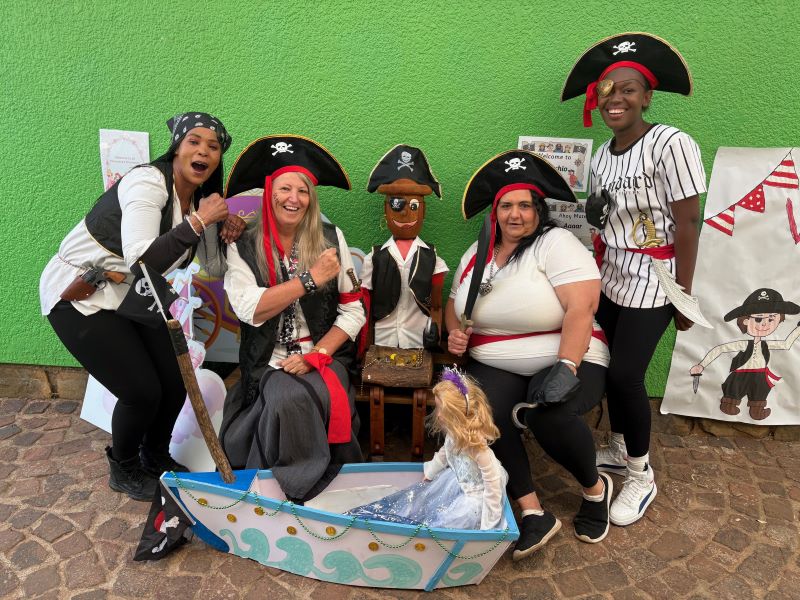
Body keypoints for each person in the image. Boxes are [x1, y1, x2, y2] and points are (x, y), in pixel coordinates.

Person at [40, 112, 240, 501]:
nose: (203, 151)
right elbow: (143, 260)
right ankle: (124, 465)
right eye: (194, 142)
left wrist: (228, 230)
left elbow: (214, 267)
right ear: (177, 147)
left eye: (213, 146)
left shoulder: (195, 201)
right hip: (81, 294)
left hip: (133, 295)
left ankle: (155, 455)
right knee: (141, 391)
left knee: (175, 379)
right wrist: (200, 222)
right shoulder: (148, 182)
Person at [562, 32, 707, 525]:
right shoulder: (603, 155)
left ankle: (641, 475)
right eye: (607, 90)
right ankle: (621, 445)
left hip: (656, 274)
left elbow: (688, 222)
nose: (616, 99)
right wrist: (595, 215)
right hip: (612, 272)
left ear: (647, 96)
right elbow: (607, 218)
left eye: (628, 89)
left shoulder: (671, 143)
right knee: (606, 366)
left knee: (626, 376)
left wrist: (684, 294)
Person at [446, 150, 612, 559]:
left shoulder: (556, 244)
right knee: (483, 411)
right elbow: (453, 303)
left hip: (568, 355)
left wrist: (567, 366)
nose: (515, 214)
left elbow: (582, 306)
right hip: (496, 361)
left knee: (549, 414)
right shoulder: (477, 254)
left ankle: (595, 490)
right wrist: (454, 332)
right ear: (495, 212)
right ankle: (532, 511)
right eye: (506, 206)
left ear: (539, 210)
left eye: (524, 205)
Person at [219, 135, 365, 502]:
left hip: (323, 353)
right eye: (285, 188)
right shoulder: (242, 244)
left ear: (311, 199)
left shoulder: (331, 238)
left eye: (302, 191)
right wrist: (309, 280)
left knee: (316, 395)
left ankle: (319, 484)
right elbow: (250, 309)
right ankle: (301, 487)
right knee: (286, 397)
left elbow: (353, 310)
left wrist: (317, 355)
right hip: (268, 361)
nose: (294, 198)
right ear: (269, 193)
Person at [345, 367, 507, 530]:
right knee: (422, 503)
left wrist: (490, 520)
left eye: (441, 410)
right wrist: (431, 472)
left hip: (471, 498)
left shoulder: (477, 447)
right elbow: (445, 453)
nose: (438, 415)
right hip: (456, 483)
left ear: (455, 413)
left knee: (443, 523)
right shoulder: (454, 433)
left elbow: (492, 482)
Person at [360, 145, 448, 351]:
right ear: (386, 210)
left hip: (418, 342)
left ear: (424, 211)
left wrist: (435, 332)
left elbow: (436, 306)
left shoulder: (432, 258)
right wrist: (364, 346)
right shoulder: (374, 257)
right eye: (396, 205)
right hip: (382, 341)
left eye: (414, 206)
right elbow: (365, 306)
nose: (405, 214)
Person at [690, 288, 800, 420]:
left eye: (771, 319)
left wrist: (798, 329)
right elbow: (720, 349)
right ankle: (729, 405)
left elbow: (786, 344)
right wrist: (701, 365)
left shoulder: (767, 344)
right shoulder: (743, 344)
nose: (765, 324)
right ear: (746, 321)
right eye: (758, 319)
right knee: (733, 389)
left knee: (760, 392)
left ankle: (757, 410)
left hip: (760, 374)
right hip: (740, 374)